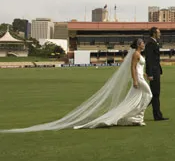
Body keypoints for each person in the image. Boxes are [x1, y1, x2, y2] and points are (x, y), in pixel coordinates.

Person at [0, 38, 152, 133]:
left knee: (137, 97)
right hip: (137, 78)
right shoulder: (136, 54)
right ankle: (136, 117)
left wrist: (143, 74)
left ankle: (136, 118)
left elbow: (139, 67)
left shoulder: (139, 55)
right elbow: (133, 68)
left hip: (140, 77)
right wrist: (136, 80)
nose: (144, 44)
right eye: (142, 42)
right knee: (148, 95)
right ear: (138, 44)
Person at [145, 27, 169, 121]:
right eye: (159, 32)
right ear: (154, 33)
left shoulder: (153, 42)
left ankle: (157, 114)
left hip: (156, 71)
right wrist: (150, 74)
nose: (160, 34)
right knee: (155, 94)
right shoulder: (150, 43)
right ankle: (157, 115)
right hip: (153, 72)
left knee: (155, 94)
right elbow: (149, 59)